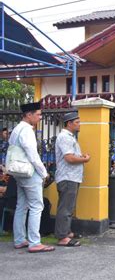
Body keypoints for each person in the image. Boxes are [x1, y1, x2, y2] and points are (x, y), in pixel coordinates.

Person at [10, 102, 54, 253]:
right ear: (29, 115)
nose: (40, 117)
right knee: (36, 206)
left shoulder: (16, 129)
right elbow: (33, 155)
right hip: (29, 172)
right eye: (38, 114)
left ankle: (20, 239)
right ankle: (34, 242)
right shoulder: (27, 131)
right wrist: (44, 172)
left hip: (18, 172)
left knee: (21, 206)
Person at [54, 112, 90, 247]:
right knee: (65, 208)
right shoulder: (65, 137)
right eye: (77, 122)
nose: (79, 124)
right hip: (67, 177)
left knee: (68, 206)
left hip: (71, 177)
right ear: (69, 123)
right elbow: (69, 158)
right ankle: (62, 237)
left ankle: (66, 232)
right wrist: (84, 159)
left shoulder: (69, 137)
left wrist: (80, 156)